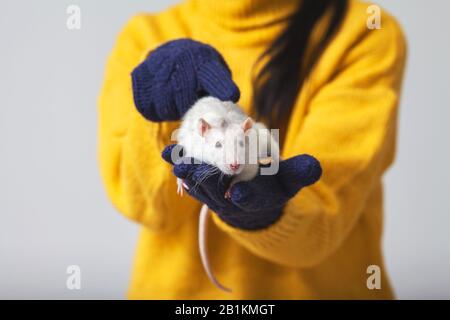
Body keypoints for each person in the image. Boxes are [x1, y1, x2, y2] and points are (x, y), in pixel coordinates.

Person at [98, 0, 406, 299]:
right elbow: (146, 207)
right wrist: (161, 106)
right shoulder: (145, 36)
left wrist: (266, 214)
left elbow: (321, 225)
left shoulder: (364, 30)